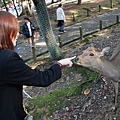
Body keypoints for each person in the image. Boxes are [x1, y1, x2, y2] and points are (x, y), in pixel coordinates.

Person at [0, 11, 75, 120]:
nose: (18, 34)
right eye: (14, 31)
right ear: (5, 33)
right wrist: (59, 64)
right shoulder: (8, 59)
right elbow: (41, 78)